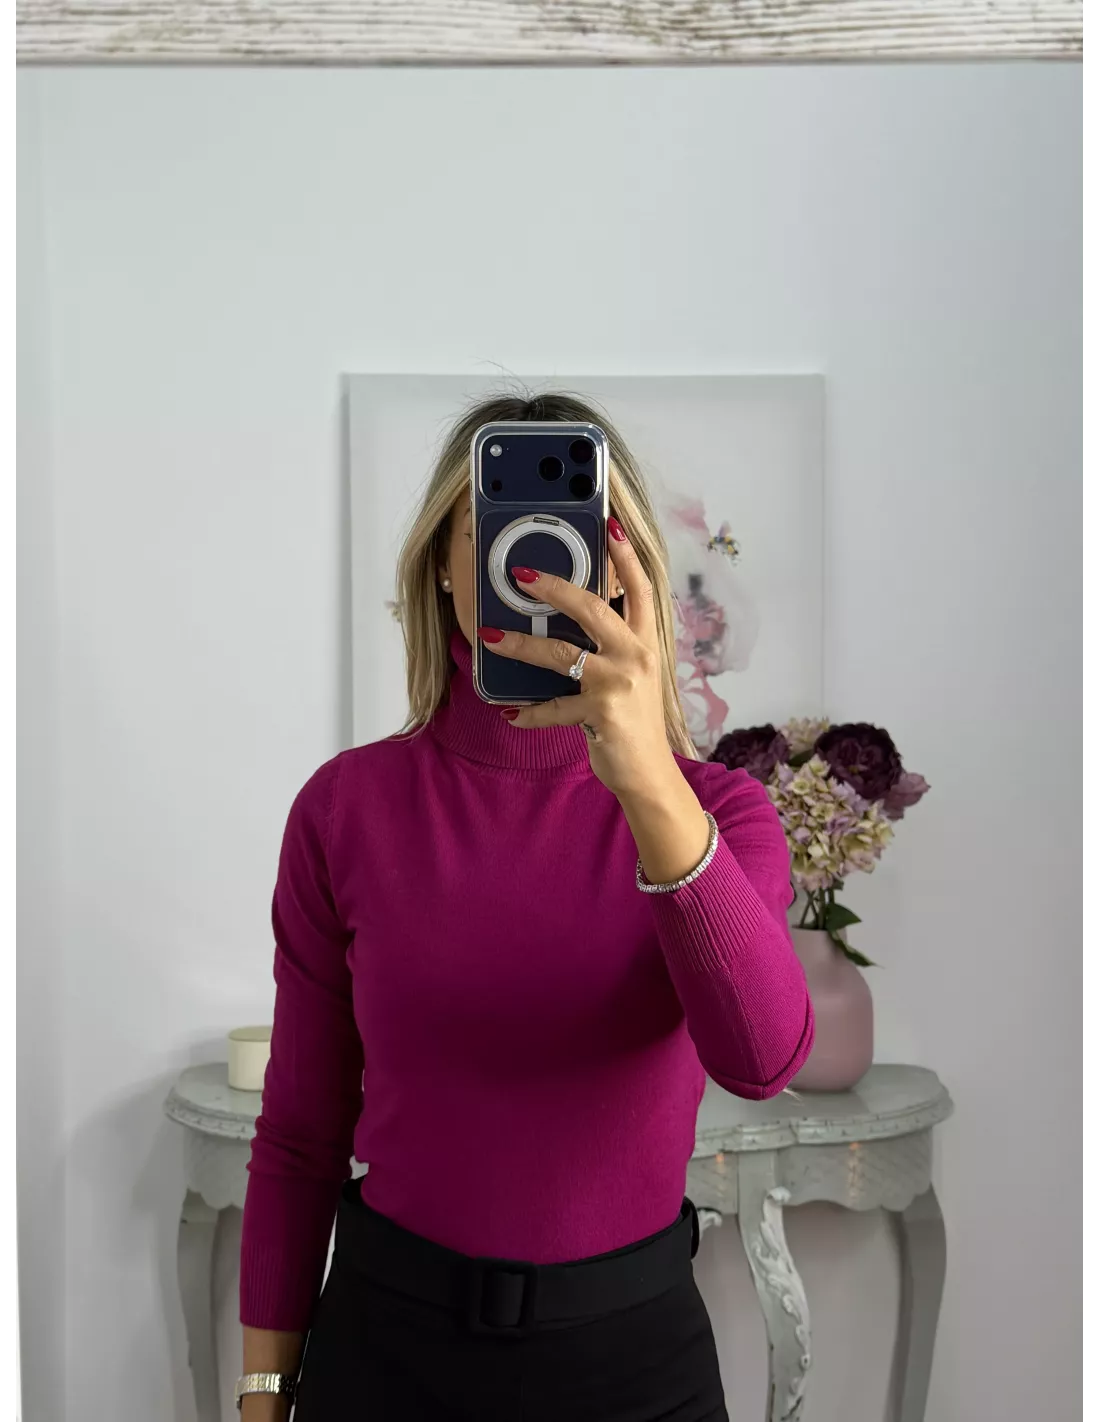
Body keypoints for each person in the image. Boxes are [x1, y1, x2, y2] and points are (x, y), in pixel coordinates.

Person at [236, 393, 814, 1421]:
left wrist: (645, 780)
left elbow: (762, 1063)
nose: (534, 561)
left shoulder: (720, 812)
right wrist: (262, 1394)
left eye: (568, 535)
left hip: (634, 1363)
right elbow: (299, 1134)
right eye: (497, 528)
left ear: (623, 571)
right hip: (384, 1356)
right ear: (443, 564)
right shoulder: (344, 809)